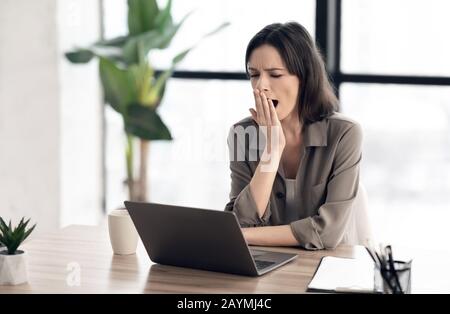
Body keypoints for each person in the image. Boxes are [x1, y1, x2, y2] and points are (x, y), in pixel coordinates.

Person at [224, 22, 363, 250]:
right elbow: (240, 222)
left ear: (304, 78)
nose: (261, 86)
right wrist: (272, 150)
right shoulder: (243, 135)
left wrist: (246, 235)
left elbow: (327, 233)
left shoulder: (345, 134)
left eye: (275, 74)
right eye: (254, 75)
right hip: (264, 267)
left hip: (326, 267)